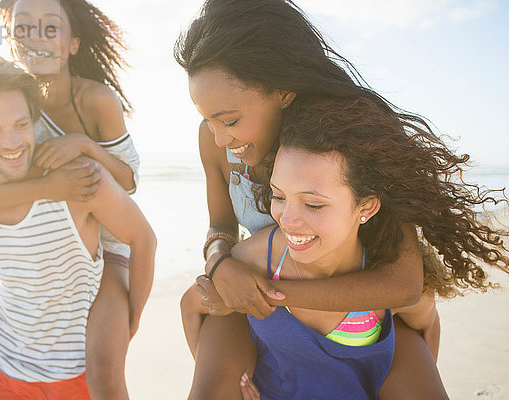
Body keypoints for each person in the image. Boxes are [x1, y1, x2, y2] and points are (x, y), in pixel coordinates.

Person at [174, 0, 486, 397]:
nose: (219, 137)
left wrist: (271, 294)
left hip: (350, 296)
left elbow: (405, 285)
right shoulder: (216, 141)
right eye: (208, 119)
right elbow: (220, 224)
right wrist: (220, 264)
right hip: (255, 282)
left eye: (230, 120)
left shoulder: (346, 144)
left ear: (283, 92)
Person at [183, 96, 509, 398]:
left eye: (313, 205)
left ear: (366, 207)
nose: (288, 219)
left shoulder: (384, 287)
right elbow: (192, 304)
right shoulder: (256, 259)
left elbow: (426, 326)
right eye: (278, 196)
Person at [0, 0, 141, 398]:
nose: (36, 37)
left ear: (72, 42)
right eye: (24, 28)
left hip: (104, 248)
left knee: (105, 373)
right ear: (10, 38)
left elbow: (129, 181)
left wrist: (85, 146)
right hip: (24, 251)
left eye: (50, 28)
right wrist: (45, 190)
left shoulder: (96, 101)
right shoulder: (2, 105)